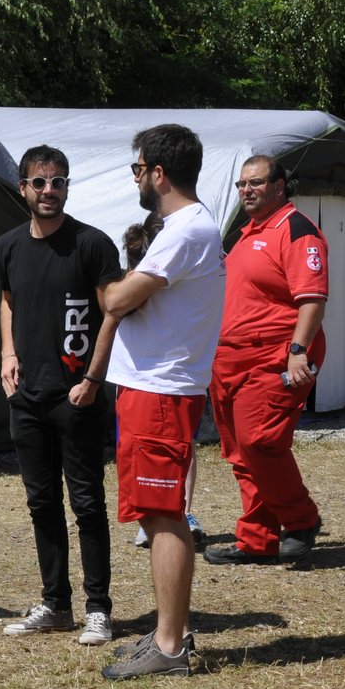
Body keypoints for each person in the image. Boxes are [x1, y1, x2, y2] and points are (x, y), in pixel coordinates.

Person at [99, 124, 226, 680]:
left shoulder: (185, 229)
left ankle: (170, 645)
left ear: (158, 173)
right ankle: (166, 635)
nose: (135, 179)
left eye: (137, 168)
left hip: (161, 390)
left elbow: (120, 297)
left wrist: (102, 276)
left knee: (164, 514)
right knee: (156, 513)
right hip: (153, 389)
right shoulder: (186, 226)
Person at [0, 145, 124, 646]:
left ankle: (99, 608)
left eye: (59, 182)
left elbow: (111, 315)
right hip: (27, 396)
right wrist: (7, 354)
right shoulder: (8, 244)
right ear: (23, 187)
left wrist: (92, 380)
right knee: (40, 502)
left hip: (78, 397)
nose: (50, 191)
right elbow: (7, 301)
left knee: (87, 503)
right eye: (40, 182)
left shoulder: (91, 244)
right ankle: (55, 603)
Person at [202, 155, 328, 565]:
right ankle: (257, 540)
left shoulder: (297, 230)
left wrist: (298, 351)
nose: (246, 191)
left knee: (261, 441)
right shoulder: (244, 232)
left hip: (275, 354)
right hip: (229, 358)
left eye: (255, 183)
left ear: (279, 186)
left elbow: (311, 299)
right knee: (239, 451)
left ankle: (301, 519)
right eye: (241, 185)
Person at [123, 211, 205, 550]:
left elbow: (117, 303)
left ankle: (174, 515)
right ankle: (170, 514)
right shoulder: (147, 276)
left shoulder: (162, 274)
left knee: (168, 451)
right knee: (177, 450)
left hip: (159, 378)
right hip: (164, 376)